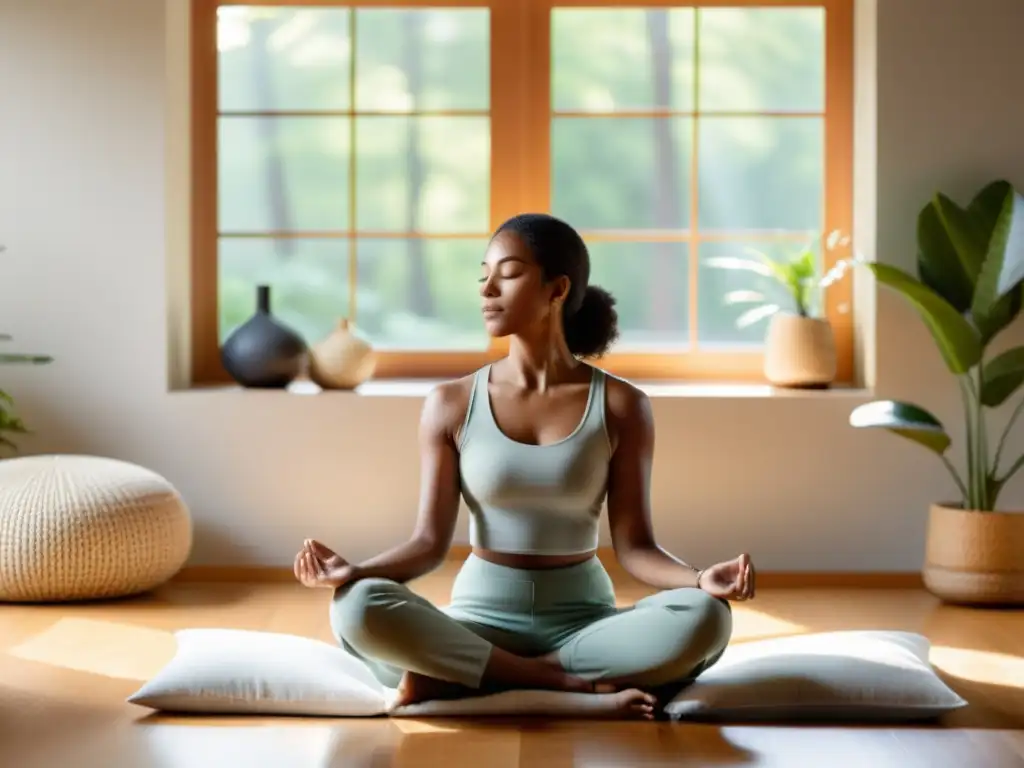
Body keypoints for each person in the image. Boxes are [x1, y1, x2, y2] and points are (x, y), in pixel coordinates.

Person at [294, 213, 756, 719]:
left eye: (507, 273)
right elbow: (428, 544)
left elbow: (636, 547)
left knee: (707, 619)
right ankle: (562, 684)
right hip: (477, 624)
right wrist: (356, 572)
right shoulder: (452, 402)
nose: (487, 289)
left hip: (583, 626)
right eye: (483, 275)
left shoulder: (622, 404)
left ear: (557, 289)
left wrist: (699, 579)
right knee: (355, 607)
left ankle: (465, 678)